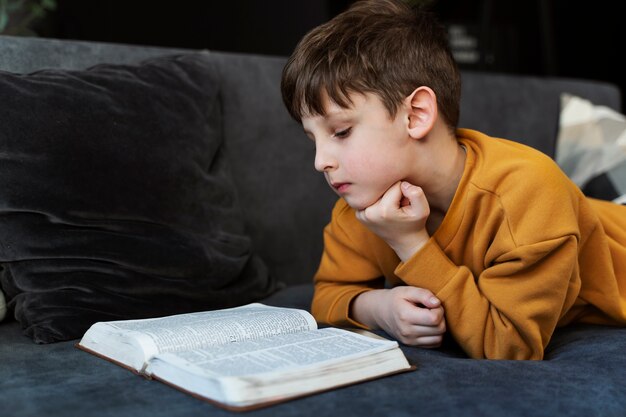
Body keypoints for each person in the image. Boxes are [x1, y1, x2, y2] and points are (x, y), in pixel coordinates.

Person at [280, 0, 626, 360]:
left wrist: (412, 244)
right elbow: (328, 293)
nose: (321, 162)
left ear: (415, 115)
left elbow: (511, 348)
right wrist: (377, 306)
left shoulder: (528, 190)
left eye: (341, 131)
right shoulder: (364, 204)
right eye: (313, 139)